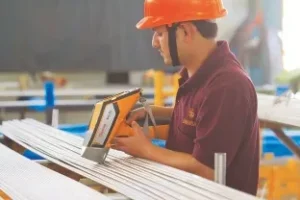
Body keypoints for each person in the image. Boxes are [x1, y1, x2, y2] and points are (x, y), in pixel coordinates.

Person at [112, 0, 260, 196]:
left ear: (186, 31)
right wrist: (152, 116)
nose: (155, 42)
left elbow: (207, 171)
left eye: (160, 33)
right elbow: (200, 123)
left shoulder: (227, 85)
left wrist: (146, 150)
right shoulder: (196, 77)